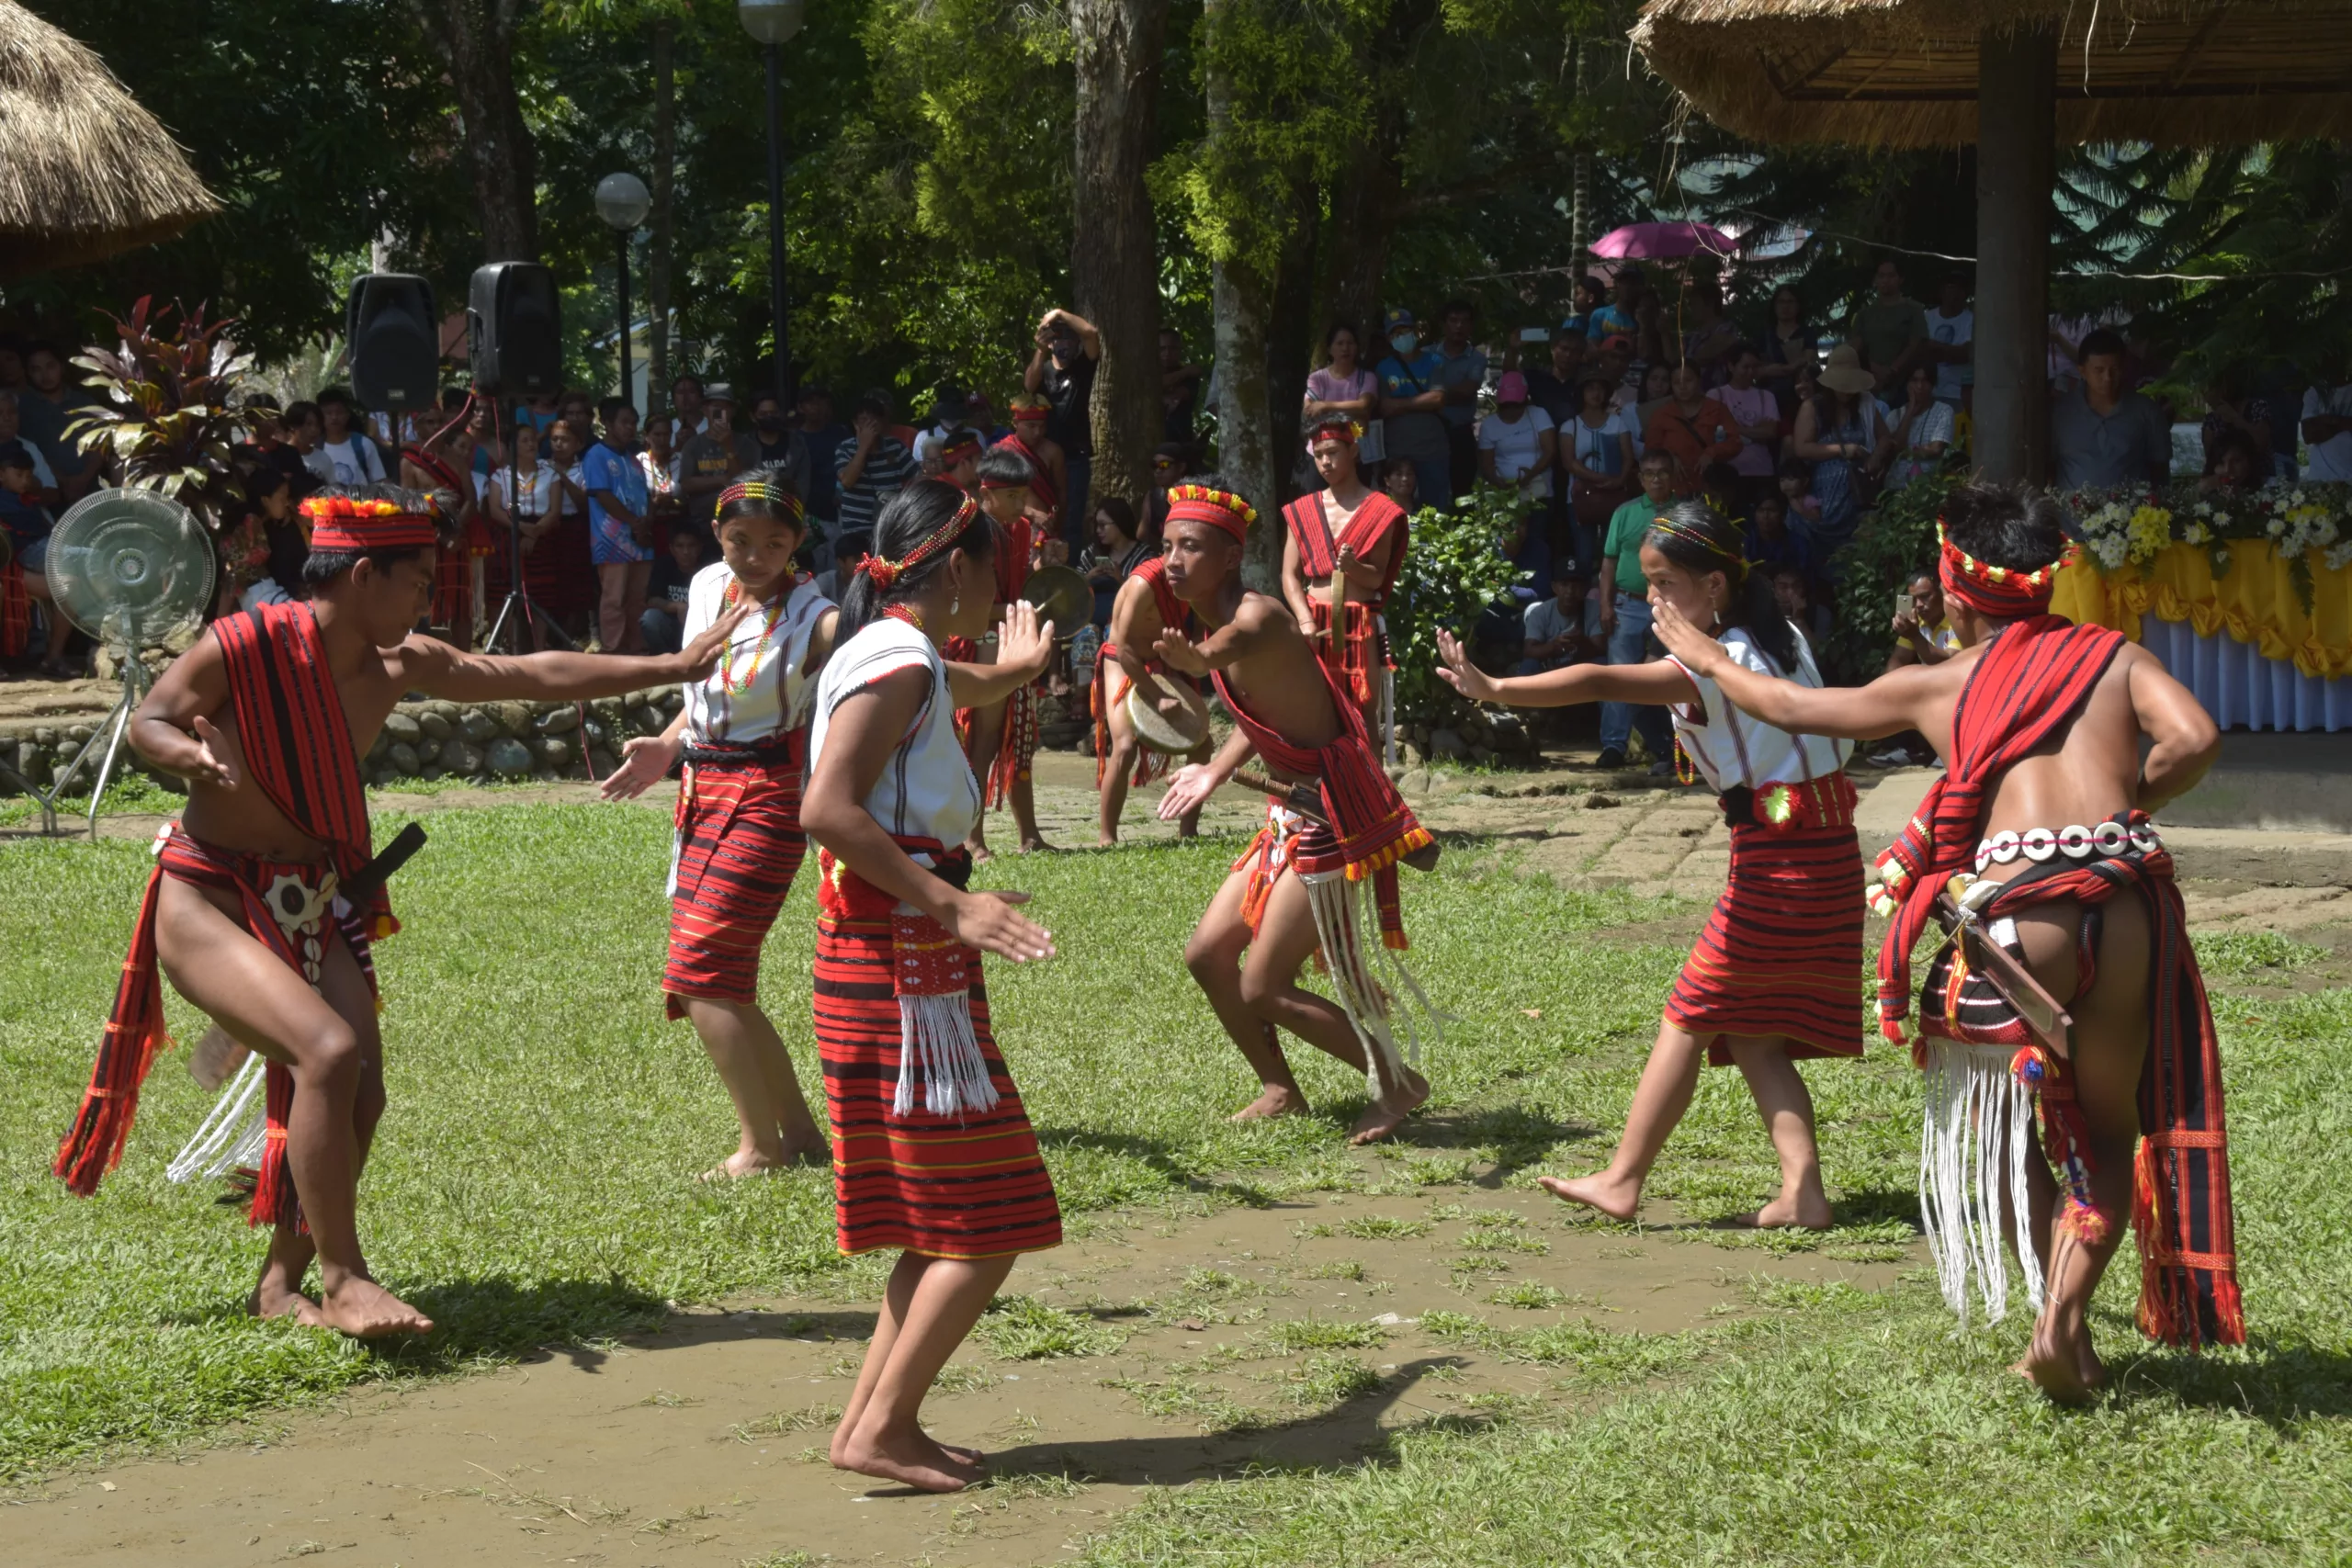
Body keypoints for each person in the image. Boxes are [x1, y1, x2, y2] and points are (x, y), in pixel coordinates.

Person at [52, 486, 750, 1337]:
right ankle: (345, 1280)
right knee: (328, 1050)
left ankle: (280, 1283)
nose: (428, 599)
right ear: (360, 576)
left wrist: (671, 667)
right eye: (417, 581)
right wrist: (191, 757)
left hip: (308, 901)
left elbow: (528, 674)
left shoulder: (398, 663)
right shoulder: (243, 643)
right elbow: (151, 721)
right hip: (209, 896)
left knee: (361, 1091)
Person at [1646, 481, 2241, 1402]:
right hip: (2123, 899)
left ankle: (2058, 1326)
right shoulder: (2114, 655)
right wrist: (2123, 805)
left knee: (2002, 1128)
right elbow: (2196, 737)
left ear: (1957, 595)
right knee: (2105, 1130)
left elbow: (1794, 709)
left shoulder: (1941, 682)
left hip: (2018, 913)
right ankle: (2062, 1322)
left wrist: (1705, 657)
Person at [1437, 501, 1862, 1231]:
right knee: (1752, 1033)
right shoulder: (1783, 635)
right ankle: (1804, 1192)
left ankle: (1622, 1179)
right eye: (1647, 584)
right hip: (1829, 851)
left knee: (1689, 1013)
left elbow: (1599, 679)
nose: (1652, 599)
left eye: (1665, 584)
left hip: (1782, 864)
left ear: (1716, 586)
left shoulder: (1712, 665)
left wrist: (1498, 688)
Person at [797, 479, 1062, 1493]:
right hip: (900, 967)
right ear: (957, 568)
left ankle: (876, 1425)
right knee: (991, 1217)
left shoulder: (891, 650)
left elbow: (962, 683)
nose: (1001, 590)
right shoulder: (900, 659)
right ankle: (881, 1426)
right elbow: (827, 808)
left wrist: (1019, 669)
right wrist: (954, 904)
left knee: (947, 1221)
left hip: (897, 961)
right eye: (997, 568)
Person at [1153, 482, 1439, 1145]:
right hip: (1292, 814)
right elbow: (1260, 714)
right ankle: (1281, 1089)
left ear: (1230, 558)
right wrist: (1213, 769)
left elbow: (1224, 649)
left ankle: (1398, 1083)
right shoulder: (1224, 621)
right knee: (1207, 955)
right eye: (1166, 546)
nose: (1172, 561)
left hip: (1334, 814)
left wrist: (1196, 660)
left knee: (1264, 987)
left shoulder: (1258, 618)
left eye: (1189, 547)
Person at [602, 479, 836, 1178]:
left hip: (770, 796)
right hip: (703, 790)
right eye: (739, 540)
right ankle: (799, 1135)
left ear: (797, 544)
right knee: (723, 979)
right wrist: (667, 744)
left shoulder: (816, 616)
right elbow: (703, 699)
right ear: (716, 535)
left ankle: (758, 1148)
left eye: (774, 543)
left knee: (699, 970)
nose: (755, 555)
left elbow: (888, 649)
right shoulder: (707, 585)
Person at [1281, 412, 1410, 742]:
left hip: (1358, 622)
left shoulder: (1381, 510)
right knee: (1312, 709)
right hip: (1313, 621)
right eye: (1319, 454)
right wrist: (1304, 620)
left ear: (1353, 451)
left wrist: (1353, 566)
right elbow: (1290, 575)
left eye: (1333, 452)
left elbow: (1377, 579)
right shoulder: (1303, 509)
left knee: (1363, 714)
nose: (1325, 462)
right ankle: (1317, 774)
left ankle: (1368, 774)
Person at [959, 446, 1054, 858]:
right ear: (986, 494)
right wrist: (1023, 610)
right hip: (983, 641)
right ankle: (972, 837)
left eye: (1023, 495)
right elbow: (972, 607)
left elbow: (1020, 587)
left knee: (1020, 739)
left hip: (1013, 636)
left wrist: (1043, 571)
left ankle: (1029, 835)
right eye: (1012, 496)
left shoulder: (1021, 529)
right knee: (982, 742)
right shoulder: (972, 532)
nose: (1020, 504)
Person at [1094, 506, 1202, 847]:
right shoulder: (1144, 583)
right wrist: (1158, 695)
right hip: (1122, 660)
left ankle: (1188, 830)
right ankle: (1107, 837)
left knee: (1202, 743)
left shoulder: (1196, 580)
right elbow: (1122, 646)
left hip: (1161, 658)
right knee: (1125, 745)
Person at [1595, 450, 1679, 772]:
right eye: (1649, 473)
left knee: (1673, 675)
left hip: (1672, 607)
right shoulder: (1625, 512)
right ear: (1641, 479)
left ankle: (1677, 749)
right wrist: (1605, 604)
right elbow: (1609, 562)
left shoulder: (1685, 513)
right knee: (1619, 674)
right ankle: (1613, 746)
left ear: (1673, 476)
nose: (1656, 479)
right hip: (1627, 604)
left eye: (1663, 472)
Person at [1790, 344, 1893, 558]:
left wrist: (1875, 457)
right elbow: (1801, 447)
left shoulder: (1865, 404)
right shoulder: (1813, 407)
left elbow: (1885, 438)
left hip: (1857, 497)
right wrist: (1843, 450)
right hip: (1822, 498)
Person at [2051, 329, 2171, 491]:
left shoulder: (2147, 411)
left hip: (2133, 506)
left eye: (2114, 369)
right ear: (2082, 371)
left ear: (2124, 367)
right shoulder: (2061, 412)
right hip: (2070, 506)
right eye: (2099, 370)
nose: (2107, 378)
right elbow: (2049, 467)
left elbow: (2160, 469)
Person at [1024, 308, 1100, 547]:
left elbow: (1091, 333)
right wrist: (1040, 349)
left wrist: (1058, 313)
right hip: (1043, 458)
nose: (1064, 343)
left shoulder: (1082, 368)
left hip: (1075, 458)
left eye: (1070, 338)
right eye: (1058, 337)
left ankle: (1070, 567)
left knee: (1072, 522)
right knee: (1043, 517)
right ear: (1050, 342)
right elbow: (1029, 386)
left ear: (1077, 343)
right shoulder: (1043, 369)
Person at [585, 401, 655, 652]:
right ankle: (613, 650)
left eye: (634, 423)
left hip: (640, 540)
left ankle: (636, 648)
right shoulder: (596, 455)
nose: (630, 428)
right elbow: (602, 495)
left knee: (638, 599)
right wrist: (633, 522)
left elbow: (646, 497)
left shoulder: (634, 460)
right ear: (607, 423)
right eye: (624, 422)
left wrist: (646, 523)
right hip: (611, 541)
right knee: (614, 599)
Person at [0, 441, 73, 674]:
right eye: (19, 475)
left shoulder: (27, 501)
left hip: (19, 569)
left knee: (72, 588)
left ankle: (53, 659)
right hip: (9, 568)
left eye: (28, 476)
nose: (25, 481)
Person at [1375, 309, 1453, 509]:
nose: (1400, 337)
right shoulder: (1383, 367)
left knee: (1436, 511)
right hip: (1397, 452)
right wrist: (1421, 402)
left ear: (1414, 331)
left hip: (1432, 451)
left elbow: (1438, 398)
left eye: (1404, 331)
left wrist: (1400, 404)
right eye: (1395, 334)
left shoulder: (1434, 361)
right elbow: (1385, 407)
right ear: (1388, 338)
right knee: (1397, 510)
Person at [1562, 372, 1637, 570]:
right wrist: (1601, 479)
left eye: (1600, 389)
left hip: (1613, 495)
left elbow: (1628, 457)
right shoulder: (1570, 426)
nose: (1596, 393)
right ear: (1581, 393)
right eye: (1590, 388)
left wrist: (1620, 480)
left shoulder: (1618, 422)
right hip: (1580, 498)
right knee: (1584, 554)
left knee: (1611, 553)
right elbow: (1569, 462)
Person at [1643, 363, 1742, 499]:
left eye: (1688, 380)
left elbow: (1735, 442)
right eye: (1677, 382)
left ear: (1699, 381)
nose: (1682, 387)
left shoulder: (1717, 409)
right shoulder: (1662, 413)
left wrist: (1712, 453)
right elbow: (1651, 450)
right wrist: (1669, 458)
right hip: (1674, 488)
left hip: (1711, 488)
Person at [836, 390, 921, 542]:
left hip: (889, 527)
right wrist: (864, 446)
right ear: (855, 424)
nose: (870, 425)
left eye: (874, 419)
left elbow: (917, 477)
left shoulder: (895, 446)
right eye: (864, 420)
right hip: (856, 530)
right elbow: (847, 481)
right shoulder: (845, 448)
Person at [1430, 300, 1488, 498]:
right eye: (1453, 320)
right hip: (1430, 432)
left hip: (1460, 433)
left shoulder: (1477, 358)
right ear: (1444, 324)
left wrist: (1431, 395)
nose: (1459, 326)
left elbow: (1467, 392)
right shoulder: (1426, 354)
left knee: (1462, 494)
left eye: (1464, 321)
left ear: (1471, 326)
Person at [1477, 369, 1558, 509]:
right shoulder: (1489, 425)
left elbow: (1550, 451)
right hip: (1505, 494)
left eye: (1516, 405)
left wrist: (1529, 476)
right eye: (1507, 405)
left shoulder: (1539, 414)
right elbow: (1487, 464)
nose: (1511, 410)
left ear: (1526, 400)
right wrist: (1498, 482)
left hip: (1539, 491)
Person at [679, 391, 760, 528]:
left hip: (737, 518)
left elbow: (744, 482)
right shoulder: (693, 444)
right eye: (715, 406)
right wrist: (723, 479)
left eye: (725, 407)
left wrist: (728, 446)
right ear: (705, 411)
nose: (720, 411)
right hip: (701, 521)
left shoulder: (747, 444)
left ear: (733, 412)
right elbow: (686, 484)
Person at [1715, 345, 1781, 512]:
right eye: (1745, 367)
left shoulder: (1766, 396)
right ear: (1731, 366)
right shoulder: (1716, 395)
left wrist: (1733, 428)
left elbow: (1770, 432)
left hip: (1761, 471)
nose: (1751, 372)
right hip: (1727, 473)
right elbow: (1712, 432)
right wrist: (1755, 431)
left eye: (1755, 367)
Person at [1849, 258, 1930, 393]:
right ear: (1875, 279)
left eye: (1891, 276)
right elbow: (1856, 348)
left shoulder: (1914, 309)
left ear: (1900, 279)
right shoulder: (1864, 314)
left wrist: (1892, 370)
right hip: (1871, 382)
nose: (1885, 280)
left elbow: (1916, 345)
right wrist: (1875, 370)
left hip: (1906, 383)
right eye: (1881, 276)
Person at [998, 394, 1068, 538]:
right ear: (1015, 423)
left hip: (1047, 527)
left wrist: (1057, 523)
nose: (1037, 432)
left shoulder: (1053, 452)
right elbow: (998, 496)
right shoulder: (1003, 451)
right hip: (1014, 525)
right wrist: (1032, 513)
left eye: (1042, 426)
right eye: (1031, 426)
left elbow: (1061, 491)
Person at [1884, 362, 1956, 491]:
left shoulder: (1943, 411)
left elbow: (1936, 449)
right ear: (1907, 384)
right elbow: (1894, 448)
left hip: (1928, 490)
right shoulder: (1895, 415)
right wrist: (1910, 411)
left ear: (1932, 384)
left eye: (1925, 381)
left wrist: (1902, 453)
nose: (1919, 386)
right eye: (1914, 380)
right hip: (1896, 488)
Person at [638, 523, 707, 654]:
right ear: (672, 549)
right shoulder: (664, 565)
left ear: (700, 547)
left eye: (691, 545)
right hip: (672, 626)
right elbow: (651, 600)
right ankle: (665, 660)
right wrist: (677, 607)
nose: (686, 552)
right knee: (650, 618)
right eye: (680, 546)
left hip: (703, 628)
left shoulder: (709, 568)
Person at [1520, 563, 1600, 675]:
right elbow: (1528, 651)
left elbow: (1600, 648)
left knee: (1601, 662)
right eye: (1564, 584)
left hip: (1581, 670)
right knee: (1529, 665)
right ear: (1554, 587)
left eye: (1576, 585)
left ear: (1584, 588)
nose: (1570, 591)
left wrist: (1582, 642)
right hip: (1548, 670)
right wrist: (1553, 647)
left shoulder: (1595, 609)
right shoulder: (1540, 612)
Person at [1084, 494, 1149, 626]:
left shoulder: (1144, 556)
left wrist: (1121, 580)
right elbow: (1072, 588)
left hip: (1125, 624)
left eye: (1103, 525)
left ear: (1119, 522)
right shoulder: (1092, 552)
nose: (1098, 530)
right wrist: (1088, 578)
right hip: (1089, 622)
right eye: (1096, 525)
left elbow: (1147, 597)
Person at [1303, 324, 1380, 429]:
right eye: (1340, 343)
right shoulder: (1317, 379)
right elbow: (1309, 408)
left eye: (1350, 343)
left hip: (1357, 437)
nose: (1345, 348)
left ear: (1356, 347)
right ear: (1329, 349)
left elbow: (1363, 405)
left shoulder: (1367, 378)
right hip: (1323, 437)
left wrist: (1325, 406)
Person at [796, 383, 852, 524]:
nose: (816, 406)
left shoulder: (841, 433)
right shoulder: (794, 440)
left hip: (842, 509)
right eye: (810, 402)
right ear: (800, 408)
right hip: (808, 512)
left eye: (820, 401)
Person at [1752, 285, 1818, 404]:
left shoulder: (1807, 333)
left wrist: (1780, 369)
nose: (1785, 306)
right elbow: (1755, 369)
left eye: (1790, 302)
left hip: (1799, 397)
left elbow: (1808, 361)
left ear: (1798, 305)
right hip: (1767, 397)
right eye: (1781, 302)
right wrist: (1789, 367)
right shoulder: (1764, 335)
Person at [315, 389, 387, 488]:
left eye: (339, 412)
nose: (334, 417)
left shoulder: (363, 444)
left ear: (348, 415)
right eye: (328, 413)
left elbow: (380, 481)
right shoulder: (316, 448)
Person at [1923, 272, 1974, 409]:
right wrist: (1949, 351)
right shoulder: (1928, 317)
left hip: (1958, 395)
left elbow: (1966, 354)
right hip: (1928, 393)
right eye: (1950, 287)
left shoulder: (1971, 320)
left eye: (1959, 288)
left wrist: (1935, 347)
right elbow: (1920, 351)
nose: (1954, 292)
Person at [2299, 360, 2352, 484]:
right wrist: (2344, 424)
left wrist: (2329, 420)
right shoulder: (2314, 392)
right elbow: (2308, 435)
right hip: (2321, 478)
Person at [1160, 329, 1204, 446]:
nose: (1167, 353)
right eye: (1162, 348)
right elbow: (1157, 384)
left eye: (1172, 348)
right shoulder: (1187, 372)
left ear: (1180, 350)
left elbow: (1178, 397)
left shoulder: (1190, 377)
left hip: (1179, 442)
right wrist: (1185, 372)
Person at [2198, 425, 2265, 495]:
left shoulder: (2266, 491)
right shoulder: (2205, 490)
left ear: (2250, 460)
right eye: (2221, 462)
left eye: (2236, 461)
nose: (2227, 470)